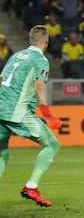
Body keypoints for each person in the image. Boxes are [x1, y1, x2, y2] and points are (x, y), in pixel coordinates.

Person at [0, 25, 62, 207]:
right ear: (46, 41)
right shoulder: (40, 59)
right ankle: (31, 186)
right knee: (52, 145)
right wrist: (48, 114)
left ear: (30, 40)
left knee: (2, 153)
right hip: (17, 112)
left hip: (1, 108)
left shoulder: (16, 56)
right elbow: (39, 86)